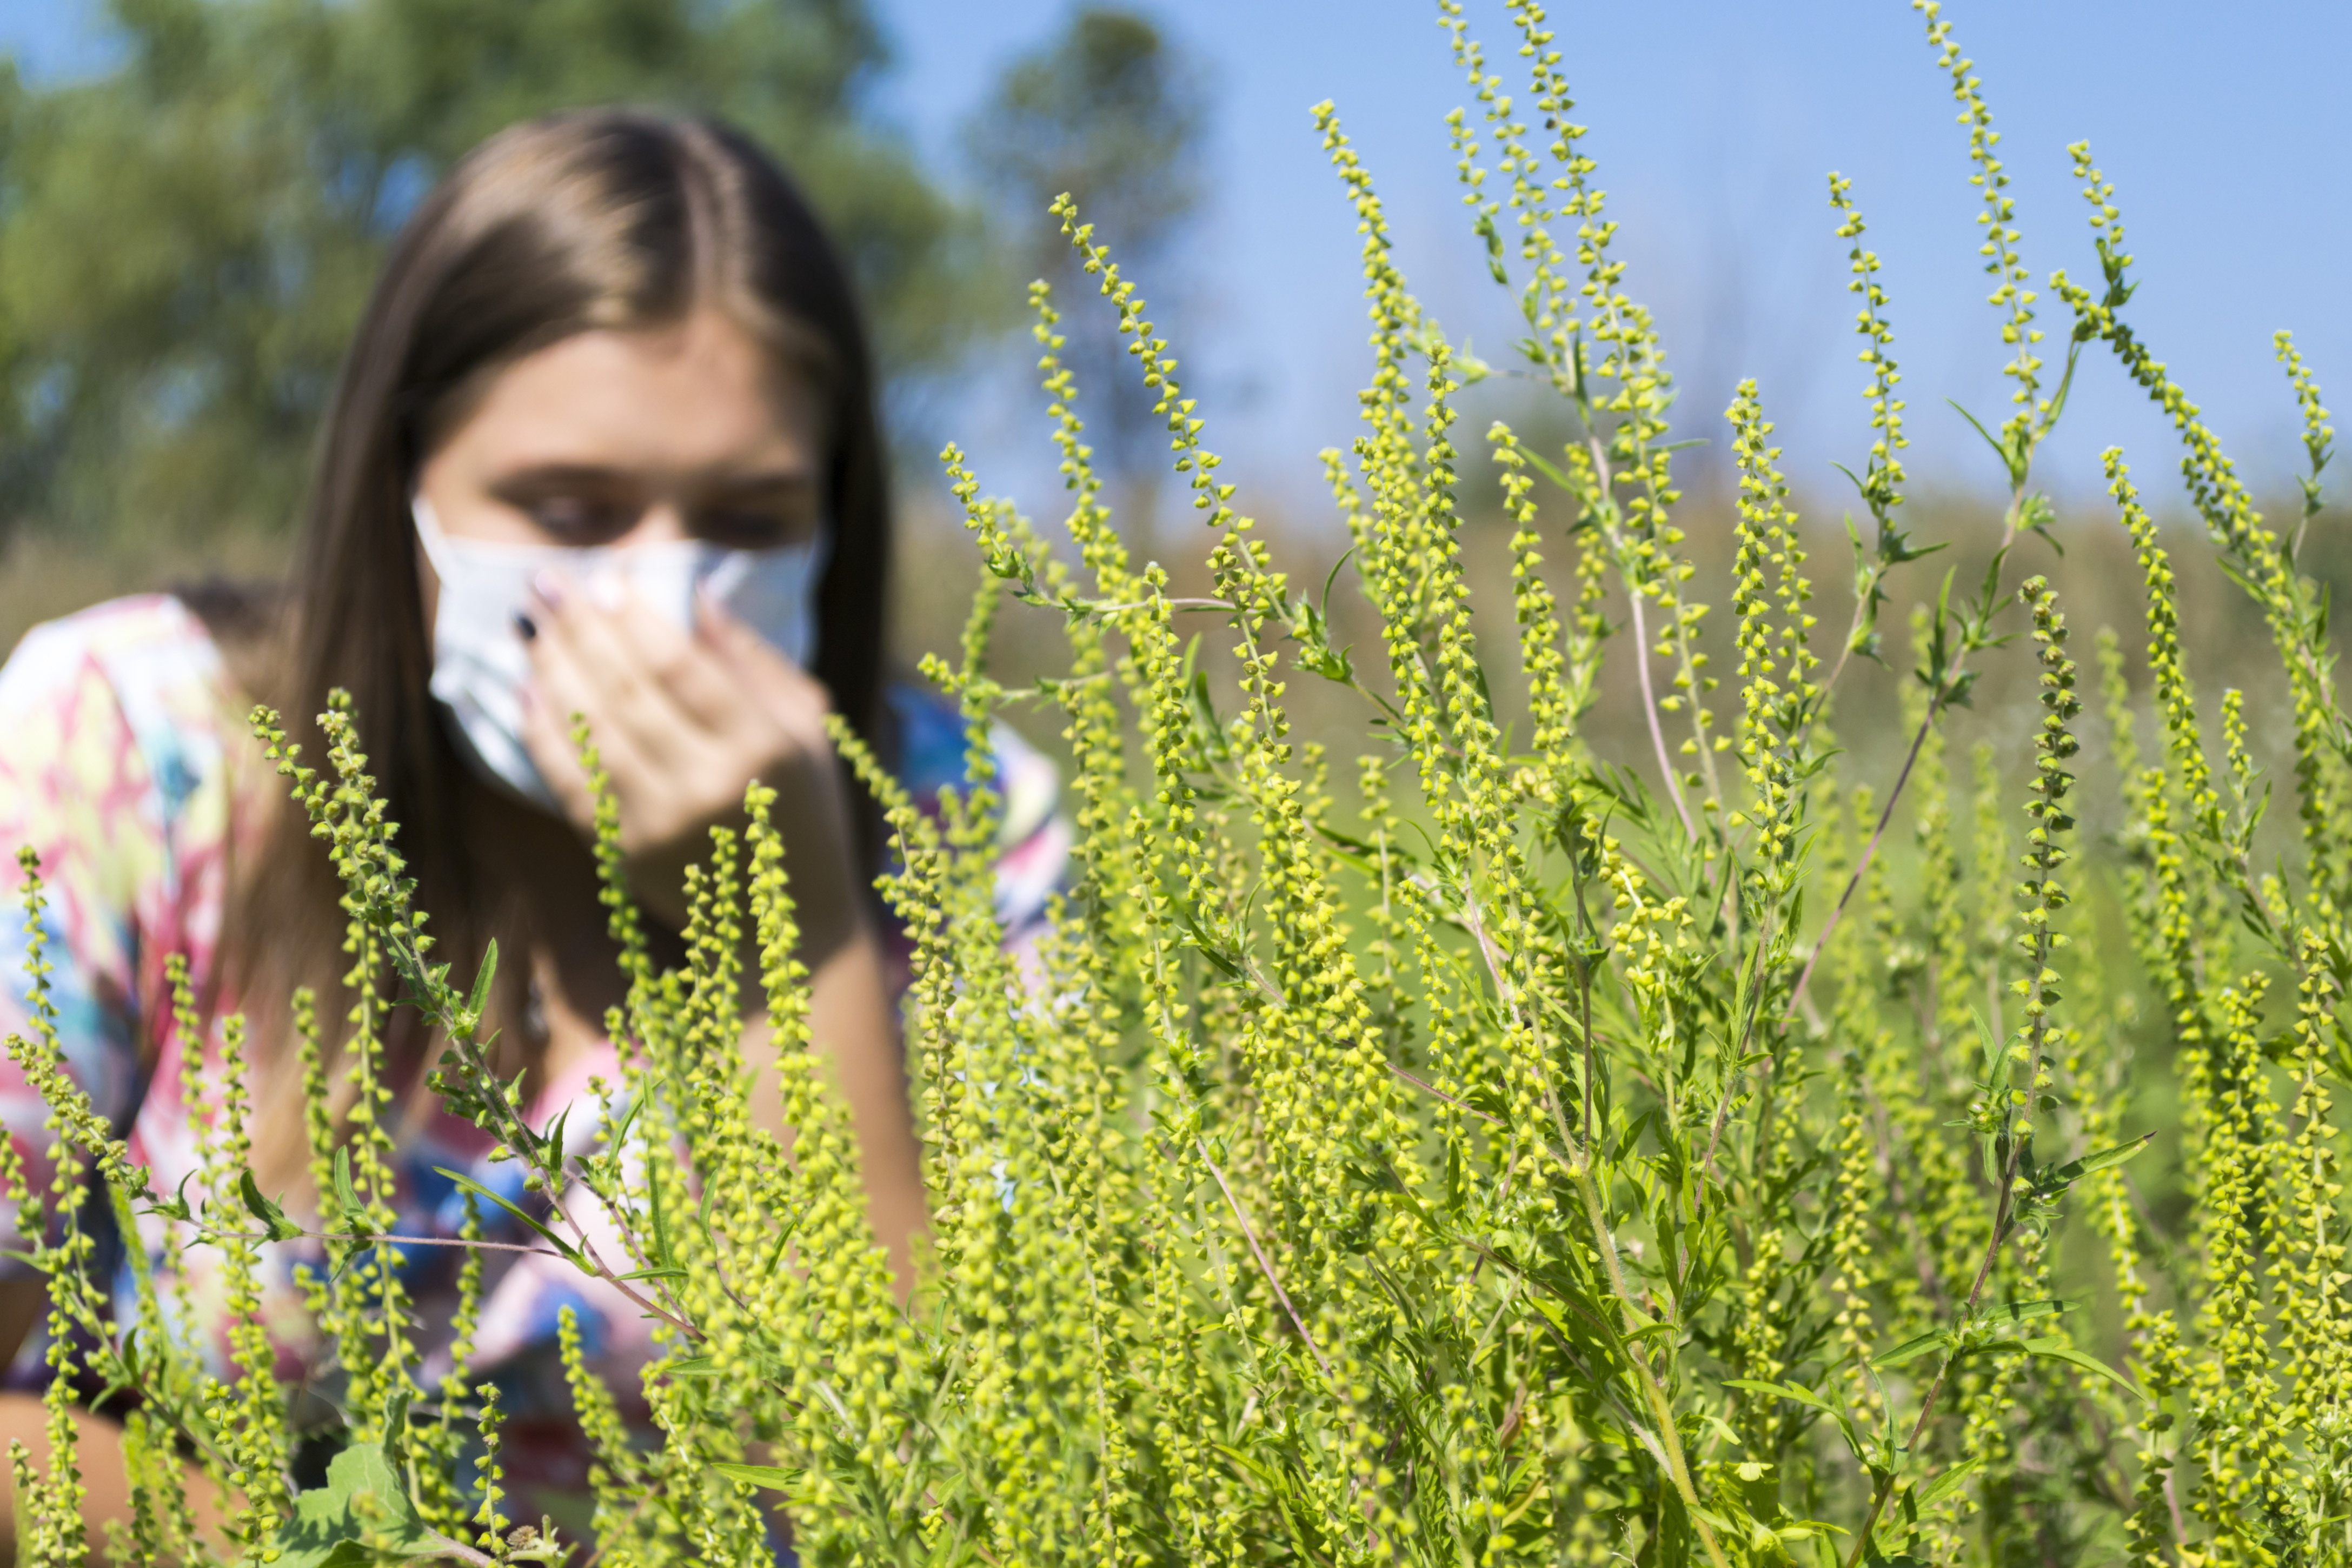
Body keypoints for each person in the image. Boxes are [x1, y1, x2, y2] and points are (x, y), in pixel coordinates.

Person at [0, 109, 1063, 1554]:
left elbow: (961, 1492)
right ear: (404, 483)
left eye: (748, 520)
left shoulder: (956, 822)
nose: (658, 597)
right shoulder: (135, 742)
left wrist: (792, 929)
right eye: (570, 508)